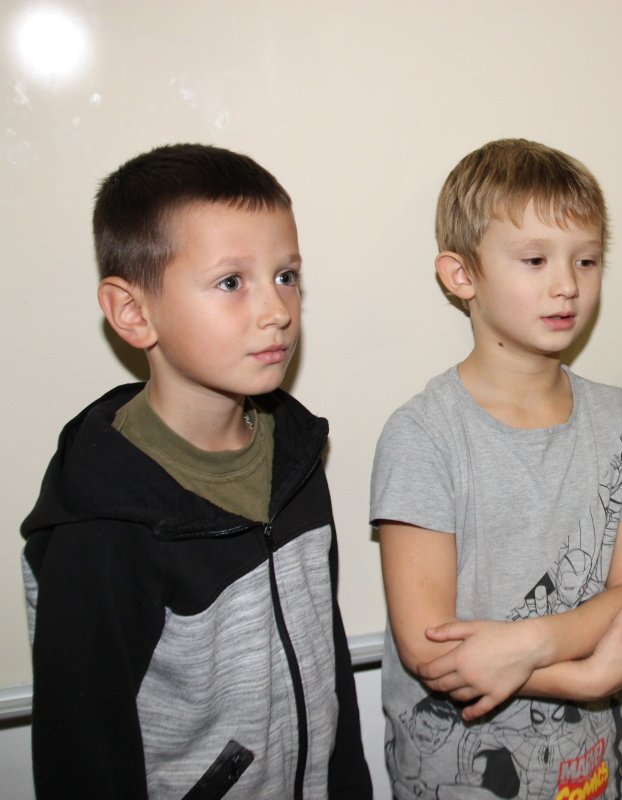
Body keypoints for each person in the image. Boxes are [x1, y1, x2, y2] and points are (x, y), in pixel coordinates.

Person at [20, 144, 372, 798]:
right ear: (133, 312)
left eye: (286, 276)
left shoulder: (295, 456)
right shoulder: (99, 524)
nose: (277, 311)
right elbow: (83, 756)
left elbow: (327, 663)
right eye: (232, 282)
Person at [371, 138, 622, 799]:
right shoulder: (423, 435)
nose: (567, 284)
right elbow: (430, 651)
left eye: (586, 260)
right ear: (461, 275)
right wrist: (581, 676)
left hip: (584, 774)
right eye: (535, 259)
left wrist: (529, 645)